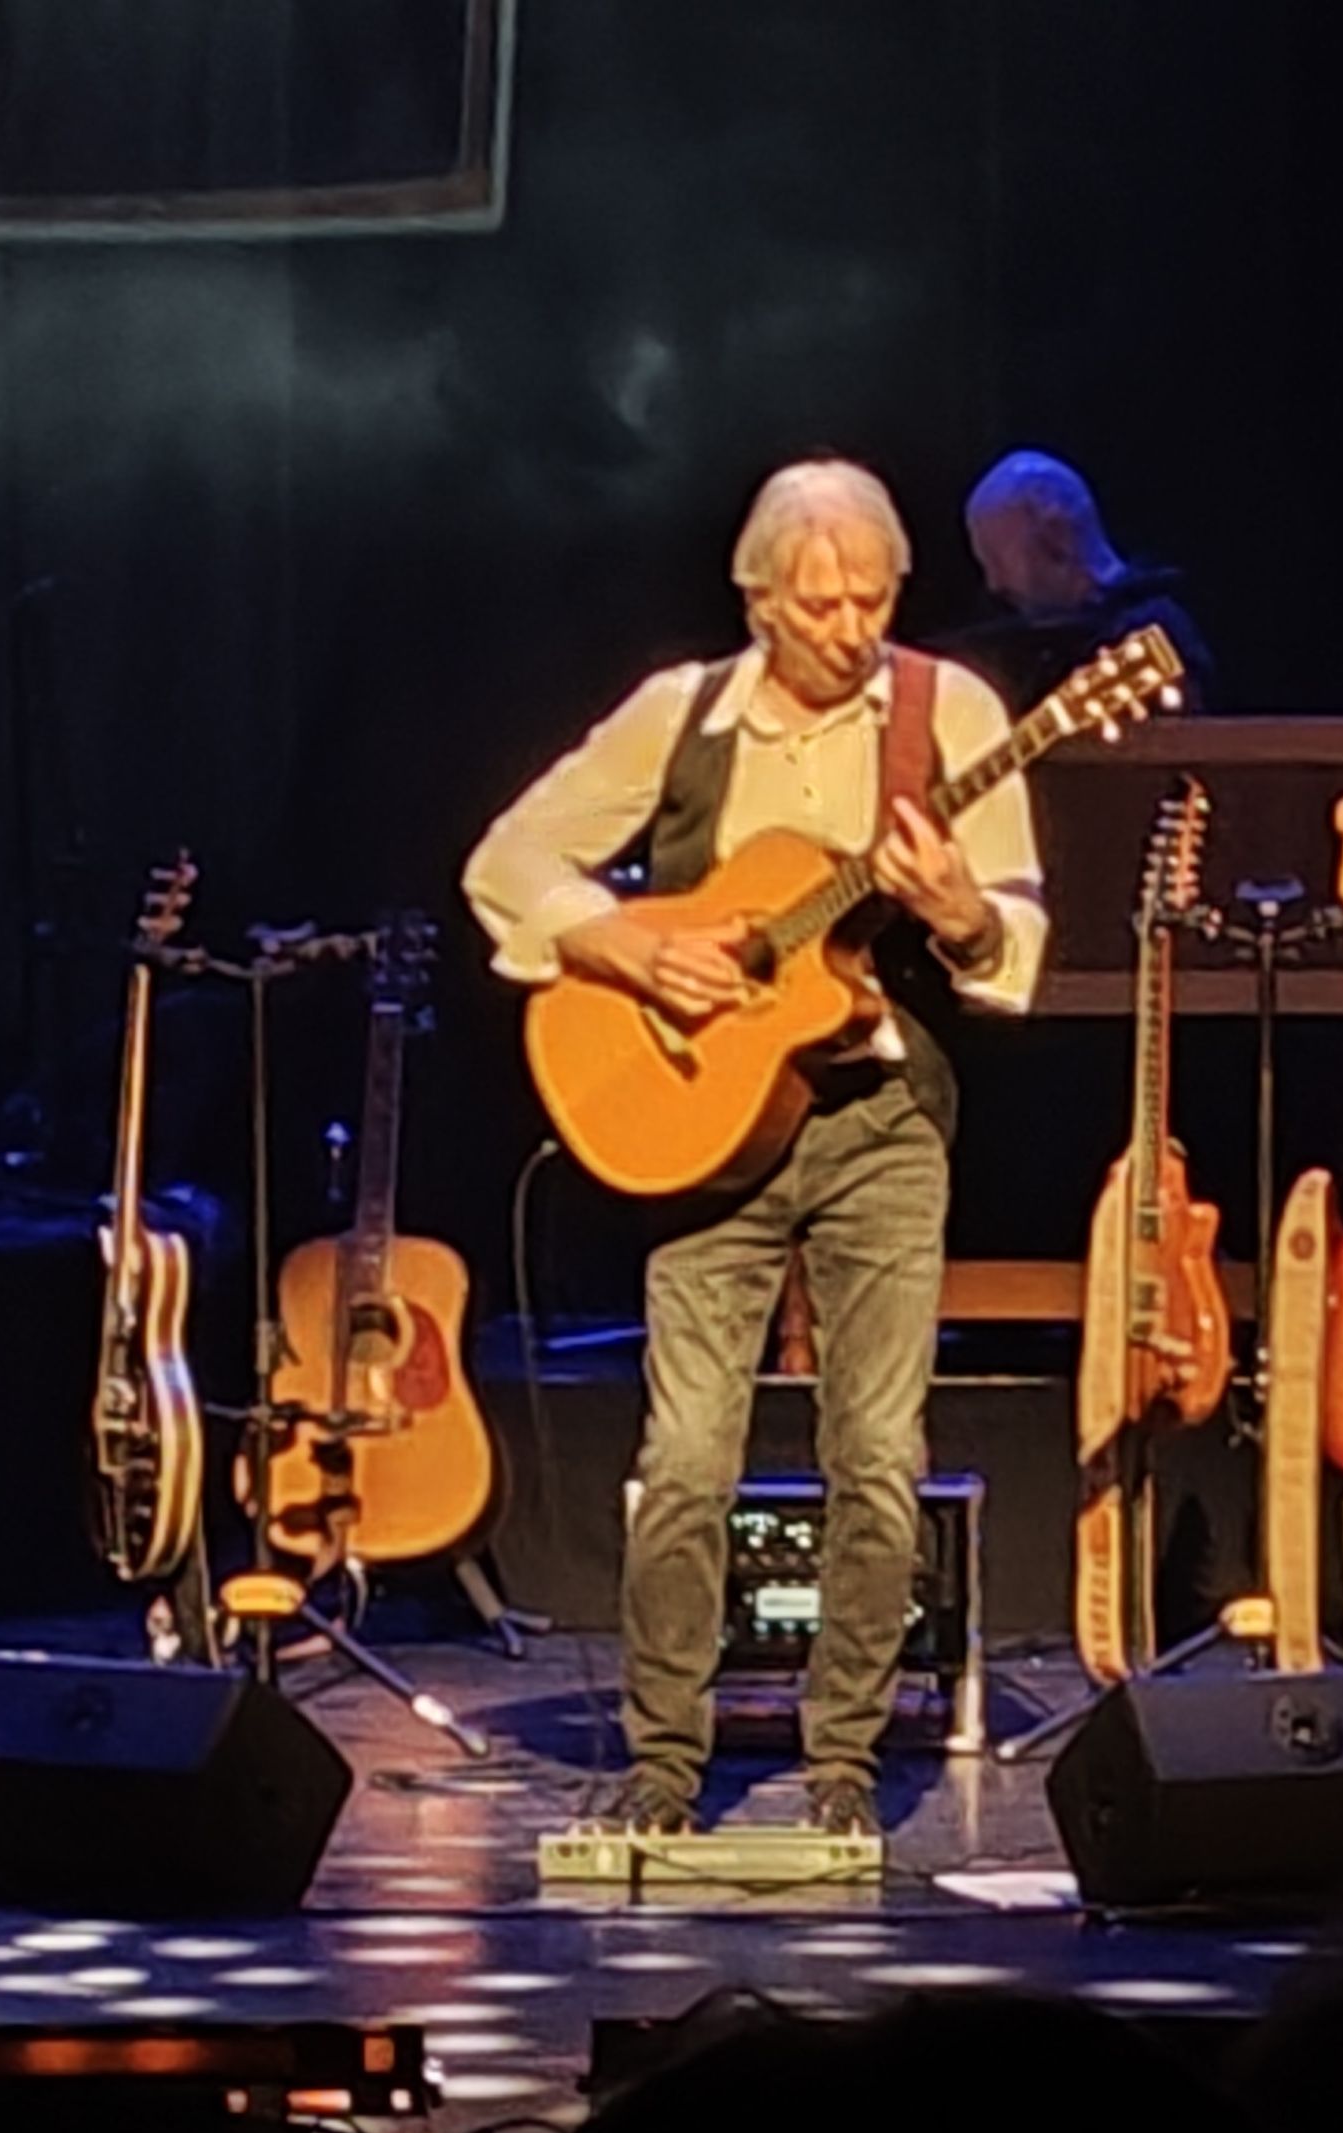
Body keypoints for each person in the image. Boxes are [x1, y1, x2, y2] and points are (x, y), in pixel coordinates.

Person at [464, 460, 1047, 1835]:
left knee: (878, 1452)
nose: (854, 629)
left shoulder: (949, 713)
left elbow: (1012, 943)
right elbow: (507, 862)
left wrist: (959, 910)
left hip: (880, 1122)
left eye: (878, 598)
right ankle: (666, 1759)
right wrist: (630, 946)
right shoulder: (682, 715)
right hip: (706, 1130)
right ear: (759, 600)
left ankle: (844, 1759)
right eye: (822, 603)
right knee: (685, 1458)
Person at [941, 447, 1215, 715]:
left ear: (1057, 537)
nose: (994, 583)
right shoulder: (1022, 653)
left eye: (998, 559)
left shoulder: (1152, 630)